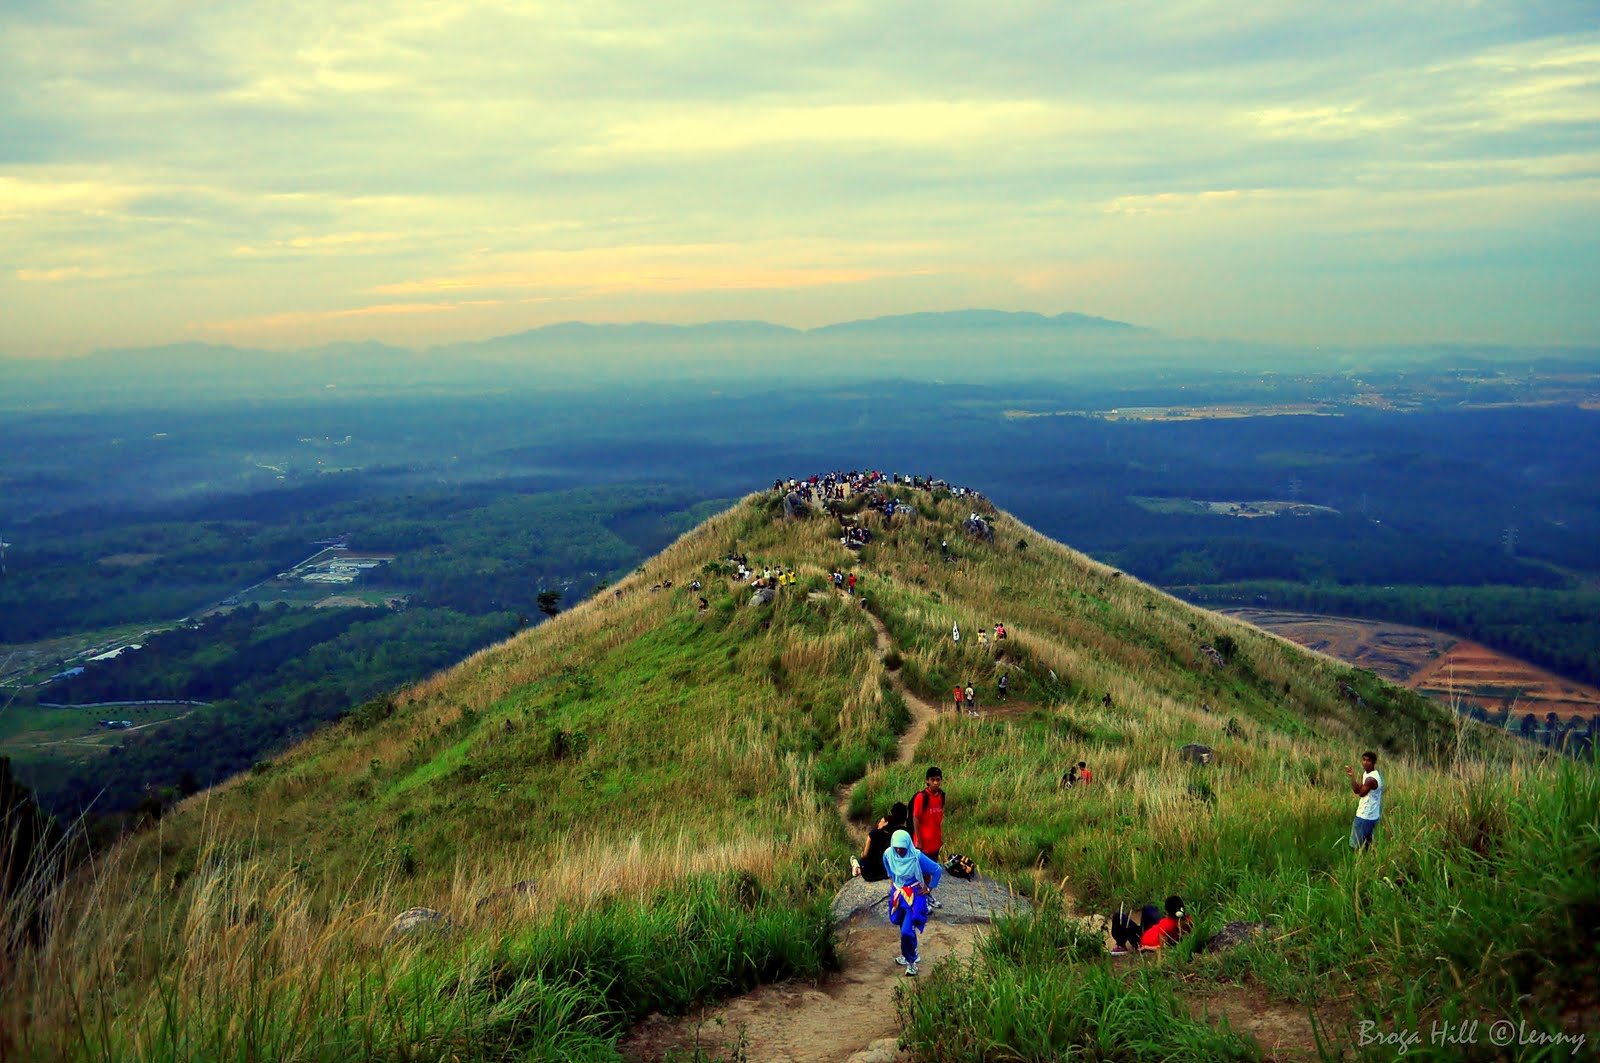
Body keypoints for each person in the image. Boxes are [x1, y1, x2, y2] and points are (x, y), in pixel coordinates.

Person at [884, 830, 942, 976]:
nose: (899, 850)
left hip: (913, 896)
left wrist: (928, 888)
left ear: (908, 845)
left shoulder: (916, 857)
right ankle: (911, 952)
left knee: (906, 931)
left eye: (902, 847)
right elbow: (889, 870)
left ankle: (911, 963)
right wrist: (893, 884)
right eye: (896, 846)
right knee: (902, 924)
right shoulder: (888, 854)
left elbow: (936, 870)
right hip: (898, 895)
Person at [911, 767, 946, 908]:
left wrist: (939, 836)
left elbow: (938, 817)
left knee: (931, 870)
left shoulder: (941, 796)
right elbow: (915, 818)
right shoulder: (922, 797)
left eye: (938, 780)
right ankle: (920, 899)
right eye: (932, 780)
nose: (935, 783)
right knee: (920, 872)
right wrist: (918, 839)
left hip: (935, 841)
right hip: (923, 843)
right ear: (927, 781)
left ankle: (927, 895)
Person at [854, 802, 909, 882]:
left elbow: (865, 855)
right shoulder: (904, 834)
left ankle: (857, 869)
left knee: (862, 860)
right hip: (887, 872)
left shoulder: (874, 833)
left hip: (870, 874)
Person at [1346, 750, 1383, 850]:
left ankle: (1356, 864)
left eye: (1368, 761)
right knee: (1367, 847)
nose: (1365, 762)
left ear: (1373, 763)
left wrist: (1356, 781)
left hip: (1365, 815)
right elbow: (1357, 790)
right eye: (1364, 760)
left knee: (1355, 846)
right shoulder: (1366, 775)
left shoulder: (1371, 779)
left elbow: (1361, 793)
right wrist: (1352, 777)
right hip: (1371, 815)